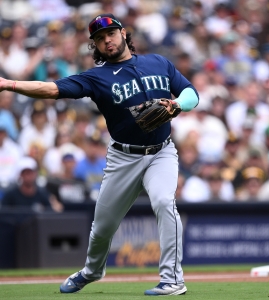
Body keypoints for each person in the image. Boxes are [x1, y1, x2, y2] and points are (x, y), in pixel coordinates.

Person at [0, 13, 199, 296]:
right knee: (102, 228)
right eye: (99, 38)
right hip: (123, 158)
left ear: (123, 33)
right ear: (94, 45)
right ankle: (92, 271)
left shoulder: (158, 62)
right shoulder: (97, 77)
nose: (107, 40)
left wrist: (177, 104)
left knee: (165, 202)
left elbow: (191, 93)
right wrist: (10, 84)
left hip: (161, 152)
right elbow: (52, 89)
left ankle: (172, 279)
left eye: (111, 34)